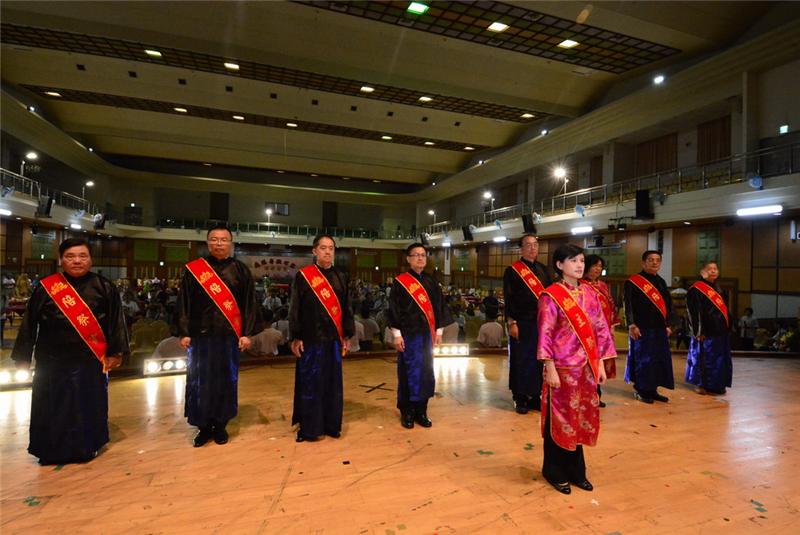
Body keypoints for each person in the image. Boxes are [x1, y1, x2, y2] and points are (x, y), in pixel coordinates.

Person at [12, 238, 129, 464]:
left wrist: (116, 352)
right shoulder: (46, 288)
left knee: (86, 404)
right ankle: (49, 450)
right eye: (70, 256)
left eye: (82, 256)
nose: (77, 261)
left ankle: (87, 447)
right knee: (50, 406)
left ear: (90, 259)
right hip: (51, 362)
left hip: (88, 361)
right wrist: (23, 357)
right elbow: (29, 324)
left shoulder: (105, 287)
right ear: (61, 259)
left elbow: (116, 323)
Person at [537, 244, 616, 494]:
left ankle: (576, 470)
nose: (580, 265)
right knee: (560, 419)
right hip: (562, 368)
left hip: (586, 368)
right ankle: (554, 470)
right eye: (573, 261)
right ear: (560, 265)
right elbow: (545, 334)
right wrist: (549, 366)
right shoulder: (550, 296)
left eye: (581, 260)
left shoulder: (591, 294)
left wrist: (601, 363)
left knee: (580, 419)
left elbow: (600, 329)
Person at [175, 224, 260, 447]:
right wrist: (183, 332)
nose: (219, 243)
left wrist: (247, 333)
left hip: (228, 337)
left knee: (225, 381)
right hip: (200, 337)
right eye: (214, 239)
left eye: (223, 240)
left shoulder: (241, 271)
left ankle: (221, 426)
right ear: (208, 242)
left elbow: (249, 304)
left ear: (231, 243)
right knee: (199, 382)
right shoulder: (194, 270)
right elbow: (184, 302)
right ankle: (203, 427)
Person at [290, 234, 354, 442]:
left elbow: (346, 308)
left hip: (333, 340)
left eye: (331, 248)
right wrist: (296, 336)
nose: (328, 251)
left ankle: (331, 425)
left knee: (332, 383)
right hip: (310, 340)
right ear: (314, 251)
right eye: (323, 248)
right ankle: (309, 428)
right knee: (310, 384)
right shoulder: (304, 276)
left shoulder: (341, 276)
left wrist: (346, 334)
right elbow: (295, 308)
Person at [389, 243, 453, 429]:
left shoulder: (432, 282)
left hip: (427, 336)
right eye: (415, 255)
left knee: (426, 373)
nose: (420, 258)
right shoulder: (400, 282)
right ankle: (407, 411)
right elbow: (394, 309)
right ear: (408, 258)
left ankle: (421, 411)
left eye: (423, 255)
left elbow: (439, 307)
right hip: (408, 336)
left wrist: (439, 331)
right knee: (408, 373)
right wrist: (396, 334)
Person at [503, 234, 553, 413]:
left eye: (535, 245)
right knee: (521, 360)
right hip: (522, 323)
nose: (533, 248)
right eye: (528, 245)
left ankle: (534, 396)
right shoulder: (513, 270)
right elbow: (509, 299)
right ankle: (520, 397)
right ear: (521, 249)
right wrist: (512, 322)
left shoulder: (544, 269)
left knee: (538, 361)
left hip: (542, 324)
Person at [624, 250, 674, 404]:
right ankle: (641, 389)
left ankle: (653, 390)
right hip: (641, 328)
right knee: (643, 360)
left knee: (658, 359)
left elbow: (668, 305)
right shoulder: (633, 282)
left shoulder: (661, 282)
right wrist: (632, 324)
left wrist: (668, 324)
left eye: (657, 260)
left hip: (659, 328)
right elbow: (628, 305)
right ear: (643, 262)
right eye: (651, 260)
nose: (654, 263)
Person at [685, 262, 733, 395]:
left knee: (719, 360)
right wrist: (698, 331)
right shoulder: (696, 289)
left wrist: (728, 326)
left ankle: (717, 384)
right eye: (709, 269)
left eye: (715, 269)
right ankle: (701, 384)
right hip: (705, 332)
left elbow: (725, 310)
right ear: (702, 272)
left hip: (720, 331)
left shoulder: (719, 288)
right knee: (702, 359)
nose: (713, 271)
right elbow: (694, 313)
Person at [582, 254, 620, 407]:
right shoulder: (581, 285)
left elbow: (611, 308)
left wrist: (611, 327)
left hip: (603, 332)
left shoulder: (603, 286)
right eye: (594, 265)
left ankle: (597, 394)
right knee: (588, 364)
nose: (598, 269)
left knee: (600, 362)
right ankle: (588, 395)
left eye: (600, 266)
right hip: (588, 331)